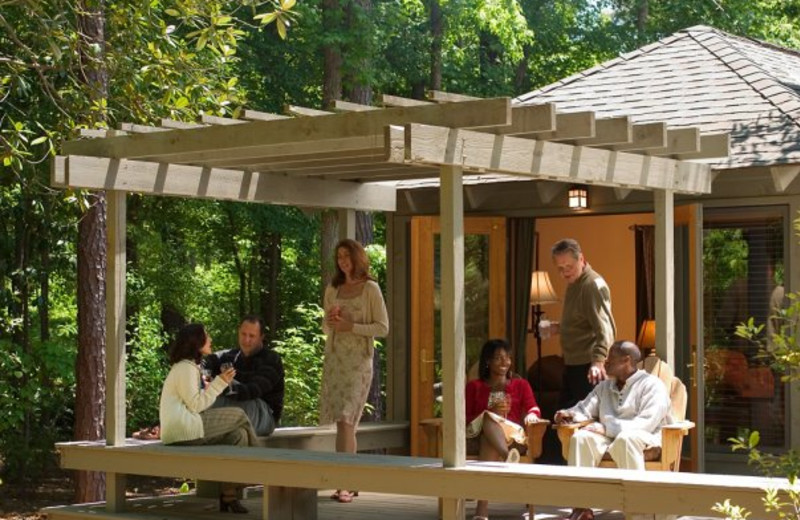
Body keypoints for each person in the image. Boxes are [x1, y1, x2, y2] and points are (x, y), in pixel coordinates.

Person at [554, 340, 670, 520]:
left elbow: (646, 422)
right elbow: (585, 409)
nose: (605, 362)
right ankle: (581, 508)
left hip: (645, 438)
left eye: (610, 359)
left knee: (625, 439)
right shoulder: (604, 387)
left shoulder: (652, 385)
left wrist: (606, 427)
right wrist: (568, 415)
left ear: (627, 360)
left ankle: (637, 513)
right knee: (581, 438)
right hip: (611, 439)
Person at [159, 323, 259, 514]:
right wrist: (220, 382)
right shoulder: (186, 367)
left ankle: (228, 497)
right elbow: (196, 405)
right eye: (207, 335)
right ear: (197, 342)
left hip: (184, 428)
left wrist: (211, 385)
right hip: (184, 430)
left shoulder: (187, 367)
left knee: (237, 436)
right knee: (239, 415)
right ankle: (260, 465)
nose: (211, 339)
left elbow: (192, 401)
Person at [320, 238, 389, 504]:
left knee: (347, 420)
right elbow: (327, 329)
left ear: (357, 257)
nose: (342, 261)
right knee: (345, 422)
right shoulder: (333, 288)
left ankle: (343, 483)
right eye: (339, 257)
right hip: (335, 360)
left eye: (347, 256)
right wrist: (330, 321)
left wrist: (353, 327)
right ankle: (353, 480)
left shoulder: (371, 288)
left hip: (359, 361)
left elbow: (382, 328)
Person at [465, 339, 541, 520]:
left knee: (488, 440)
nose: (504, 362)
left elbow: (533, 407)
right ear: (488, 361)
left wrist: (532, 415)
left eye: (507, 358)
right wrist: (490, 412)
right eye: (498, 358)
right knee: (488, 420)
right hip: (481, 430)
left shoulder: (520, 385)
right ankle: (508, 457)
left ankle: (482, 510)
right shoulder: (474, 387)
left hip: (513, 434)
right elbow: (465, 416)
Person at [551, 238, 616, 410]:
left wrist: (598, 361)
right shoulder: (574, 282)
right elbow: (582, 321)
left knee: (586, 422)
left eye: (569, 267)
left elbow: (606, 329)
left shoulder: (591, 285)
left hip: (589, 368)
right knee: (564, 420)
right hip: (572, 364)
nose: (565, 272)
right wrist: (558, 328)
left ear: (581, 259)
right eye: (560, 268)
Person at [207, 315, 285, 437]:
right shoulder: (229, 356)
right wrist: (204, 376)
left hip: (264, 415)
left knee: (212, 396)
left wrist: (219, 387)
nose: (246, 340)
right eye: (243, 334)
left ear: (261, 337)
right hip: (237, 408)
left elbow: (252, 391)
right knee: (200, 384)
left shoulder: (271, 359)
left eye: (252, 336)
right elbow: (206, 362)